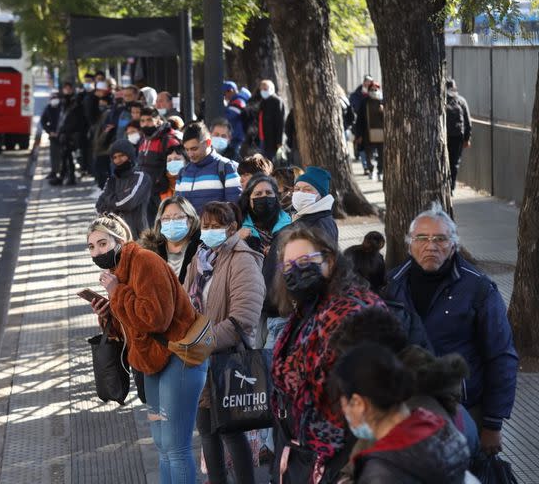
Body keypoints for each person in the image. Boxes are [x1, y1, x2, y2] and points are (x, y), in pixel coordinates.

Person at [384, 203, 518, 456]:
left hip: (462, 408)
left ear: (454, 244)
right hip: (404, 407)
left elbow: (501, 355)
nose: (431, 246)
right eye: (421, 238)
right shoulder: (391, 284)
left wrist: (492, 423)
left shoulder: (478, 288)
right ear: (409, 243)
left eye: (440, 239)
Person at [87, 214, 208, 484]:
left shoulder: (144, 261)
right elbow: (130, 328)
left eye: (103, 244)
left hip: (179, 358)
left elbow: (154, 319)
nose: (97, 252)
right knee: (163, 445)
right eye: (92, 247)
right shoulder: (118, 272)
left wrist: (117, 293)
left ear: (121, 241)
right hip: (150, 363)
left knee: (176, 447)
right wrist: (107, 314)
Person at [270, 227, 384, 483]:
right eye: (288, 266)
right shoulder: (306, 311)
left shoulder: (354, 311)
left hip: (343, 459)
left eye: (305, 262)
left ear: (330, 261)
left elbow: (374, 399)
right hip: (303, 455)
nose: (296, 271)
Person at [183, 201, 265, 484]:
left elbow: (243, 318)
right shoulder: (200, 257)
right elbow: (185, 301)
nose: (209, 231)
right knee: (205, 429)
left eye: (216, 226)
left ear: (232, 228)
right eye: (205, 226)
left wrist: (200, 343)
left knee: (231, 430)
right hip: (199, 359)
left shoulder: (242, 259)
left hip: (227, 358)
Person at [333, 343, 471, 483]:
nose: (344, 411)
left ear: (359, 403)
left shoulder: (381, 470)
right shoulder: (438, 426)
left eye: (344, 402)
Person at [237, 175, 292, 346]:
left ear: (276, 197)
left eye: (269, 193)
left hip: (280, 305)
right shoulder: (237, 226)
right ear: (249, 199)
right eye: (258, 194)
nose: (264, 197)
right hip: (248, 303)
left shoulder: (291, 226)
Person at [175, 122, 242, 215]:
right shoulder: (183, 173)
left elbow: (235, 209)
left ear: (208, 143)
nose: (190, 154)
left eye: (194, 149)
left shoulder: (228, 167)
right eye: (187, 149)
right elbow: (177, 208)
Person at [96, 140, 152, 240]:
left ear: (130, 156)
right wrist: (116, 198)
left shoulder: (141, 177)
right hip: (116, 237)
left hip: (139, 237)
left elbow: (128, 203)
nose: (118, 160)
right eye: (115, 157)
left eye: (122, 155)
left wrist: (110, 200)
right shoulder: (111, 180)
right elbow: (100, 206)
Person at [138, 195, 202, 284]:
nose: (172, 222)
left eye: (178, 217)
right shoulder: (147, 252)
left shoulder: (202, 251)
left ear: (191, 220)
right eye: (166, 218)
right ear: (159, 222)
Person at [138, 107, 183, 220]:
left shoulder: (169, 140)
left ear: (158, 120)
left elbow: (177, 167)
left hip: (163, 192)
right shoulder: (144, 139)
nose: (145, 124)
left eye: (149, 120)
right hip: (147, 192)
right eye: (142, 121)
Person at [289, 166, 339, 243]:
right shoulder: (305, 217)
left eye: (307, 189)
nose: (301, 193)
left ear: (321, 196)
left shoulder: (319, 225)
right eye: (297, 189)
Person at [52, 82, 85, 186]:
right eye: (65, 88)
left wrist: (69, 133)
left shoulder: (76, 102)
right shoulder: (63, 102)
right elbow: (62, 119)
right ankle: (64, 176)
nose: (67, 90)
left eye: (69, 88)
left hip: (72, 134)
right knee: (65, 156)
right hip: (64, 134)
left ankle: (70, 177)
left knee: (70, 156)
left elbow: (76, 120)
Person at [354, 82, 384, 180]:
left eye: (376, 89)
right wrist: (359, 135)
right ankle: (371, 170)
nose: (374, 91)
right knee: (368, 154)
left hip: (381, 134)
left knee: (381, 154)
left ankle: (380, 171)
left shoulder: (382, 102)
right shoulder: (364, 102)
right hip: (367, 133)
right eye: (372, 89)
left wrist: (383, 111)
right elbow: (359, 120)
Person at [445, 79, 472, 190]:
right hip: (457, 136)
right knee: (454, 163)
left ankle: (445, 186)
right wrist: (467, 139)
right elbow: (468, 122)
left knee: (443, 162)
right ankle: (451, 188)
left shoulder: (441, 101)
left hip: (444, 136)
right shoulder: (461, 101)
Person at [257, 80, 285, 162]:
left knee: (271, 162)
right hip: (262, 139)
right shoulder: (263, 101)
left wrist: (279, 141)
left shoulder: (277, 101)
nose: (263, 91)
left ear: (272, 89)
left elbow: (280, 123)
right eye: (261, 89)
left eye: (265, 89)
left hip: (272, 140)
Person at [40, 92, 62, 182]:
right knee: (54, 155)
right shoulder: (48, 108)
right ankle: (54, 171)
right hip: (53, 135)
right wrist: (49, 131)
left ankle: (63, 171)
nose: (54, 100)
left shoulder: (63, 107)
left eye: (56, 98)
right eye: (52, 98)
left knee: (63, 155)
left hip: (63, 135)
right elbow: (43, 121)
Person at [223, 81, 247, 161]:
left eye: (225, 92)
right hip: (235, 136)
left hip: (238, 137)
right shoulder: (235, 101)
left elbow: (229, 116)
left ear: (231, 90)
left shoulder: (239, 101)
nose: (224, 95)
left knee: (235, 159)